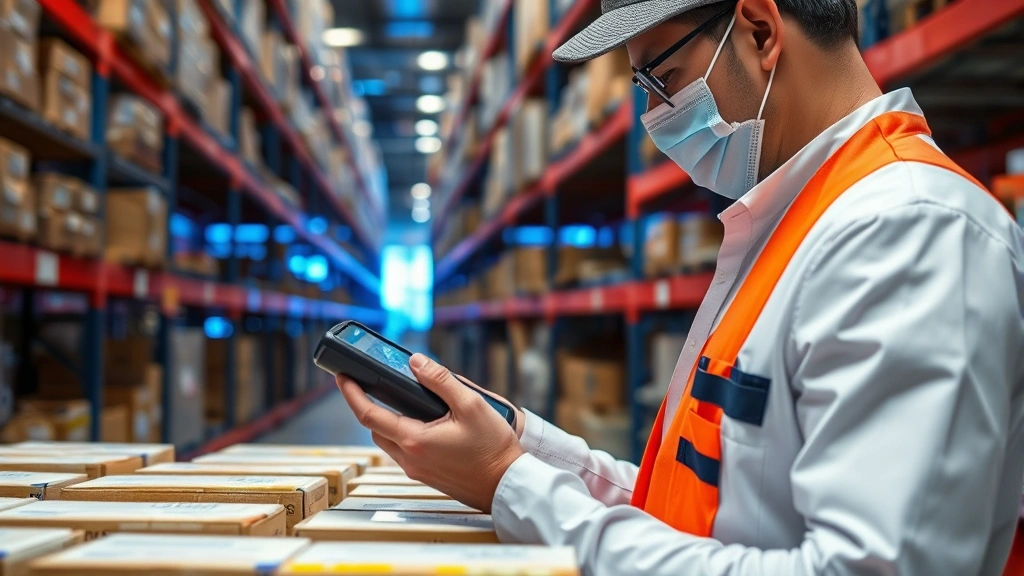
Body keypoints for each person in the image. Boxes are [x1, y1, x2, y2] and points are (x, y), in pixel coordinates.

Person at [337, 0, 1024, 573]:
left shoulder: (911, 234)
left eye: (662, 79)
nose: (656, 117)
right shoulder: (791, 223)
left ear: (760, 29)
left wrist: (511, 484)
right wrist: (522, 446)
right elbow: (701, 511)